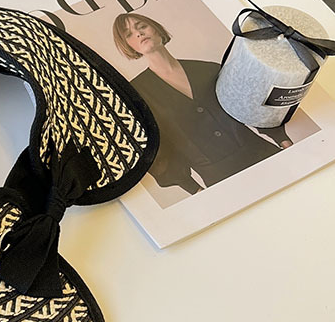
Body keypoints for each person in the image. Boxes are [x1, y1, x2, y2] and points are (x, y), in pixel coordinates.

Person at [111, 12, 292, 195]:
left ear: (156, 29)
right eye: (129, 34)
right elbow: (152, 146)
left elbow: (248, 103)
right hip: (219, 179)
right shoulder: (137, 95)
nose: (139, 33)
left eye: (142, 26)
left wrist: (282, 139)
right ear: (128, 45)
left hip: (263, 154)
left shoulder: (207, 69)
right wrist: (192, 187)